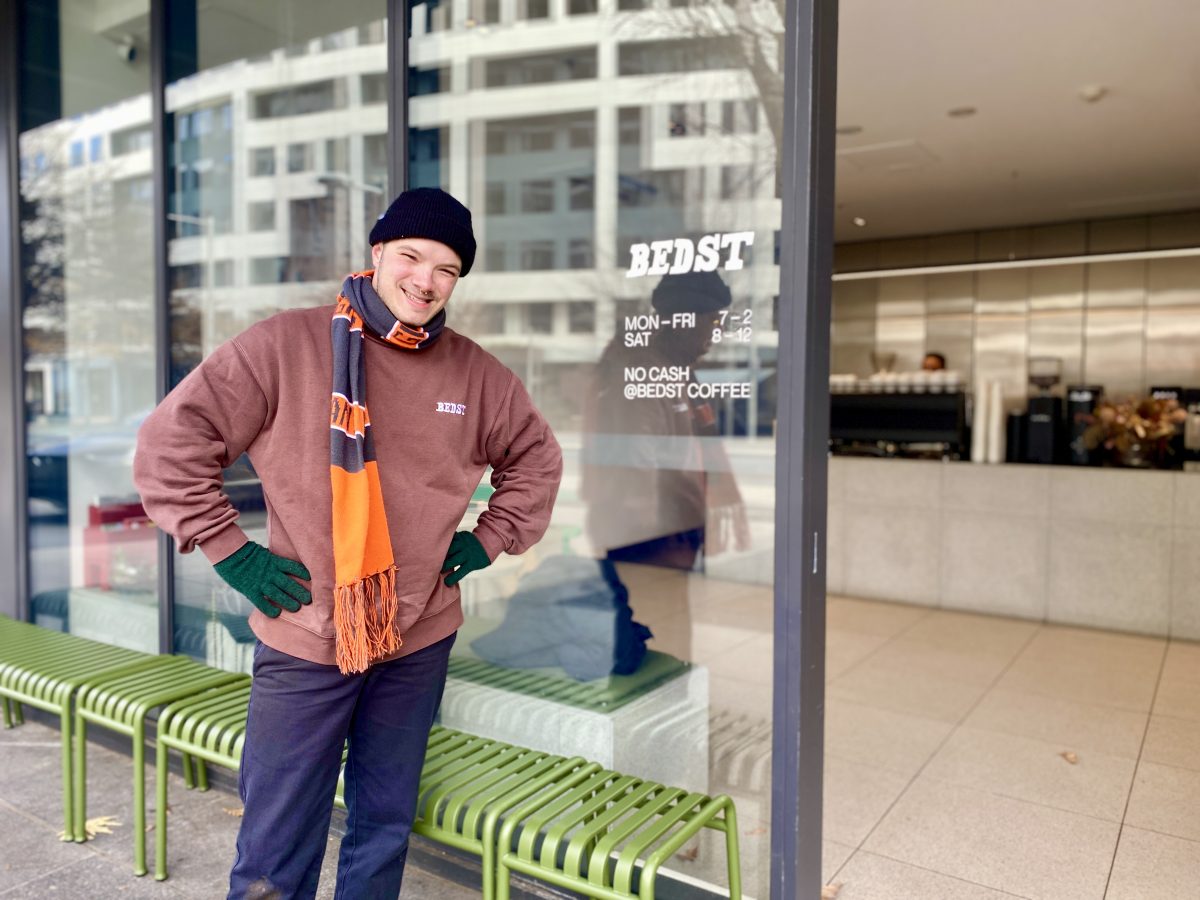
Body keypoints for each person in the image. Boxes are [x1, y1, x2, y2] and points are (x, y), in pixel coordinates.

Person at [133, 187, 562, 900]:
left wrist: (489, 538)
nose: (425, 280)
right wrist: (229, 550)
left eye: (447, 269)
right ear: (377, 254)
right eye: (412, 257)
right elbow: (170, 444)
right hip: (306, 637)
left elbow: (536, 457)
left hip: (418, 638)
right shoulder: (286, 346)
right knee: (275, 840)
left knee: (384, 824)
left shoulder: (475, 374)